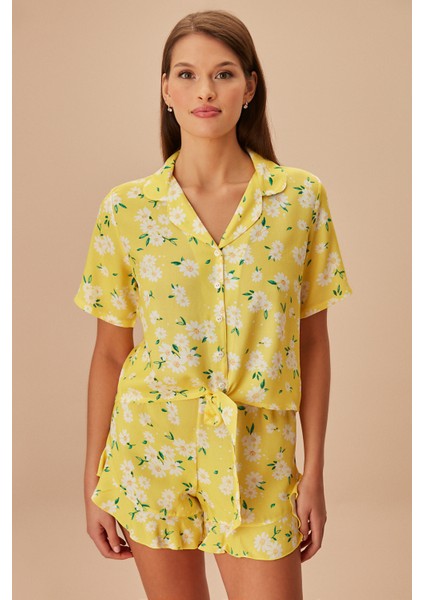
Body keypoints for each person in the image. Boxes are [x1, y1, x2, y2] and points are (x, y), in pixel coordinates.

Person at [73, 9, 353, 600]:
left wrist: (315, 471)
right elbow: (110, 354)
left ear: (249, 87)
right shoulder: (127, 210)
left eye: (223, 74)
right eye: (187, 74)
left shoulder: (299, 200)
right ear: (166, 90)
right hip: (151, 452)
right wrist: (93, 480)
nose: (205, 90)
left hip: (261, 457)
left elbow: (313, 342)